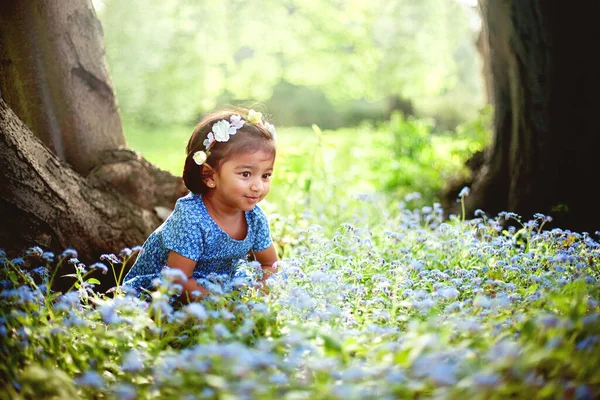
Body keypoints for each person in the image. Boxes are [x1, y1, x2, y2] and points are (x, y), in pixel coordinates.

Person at [122, 108, 278, 301]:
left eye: (265, 175)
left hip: (215, 287)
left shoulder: (254, 217)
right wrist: (225, 304)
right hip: (166, 291)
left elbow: (270, 263)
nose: (257, 186)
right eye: (245, 174)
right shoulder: (192, 217)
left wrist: (258, 295)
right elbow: (178, 281)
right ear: (209, 175)